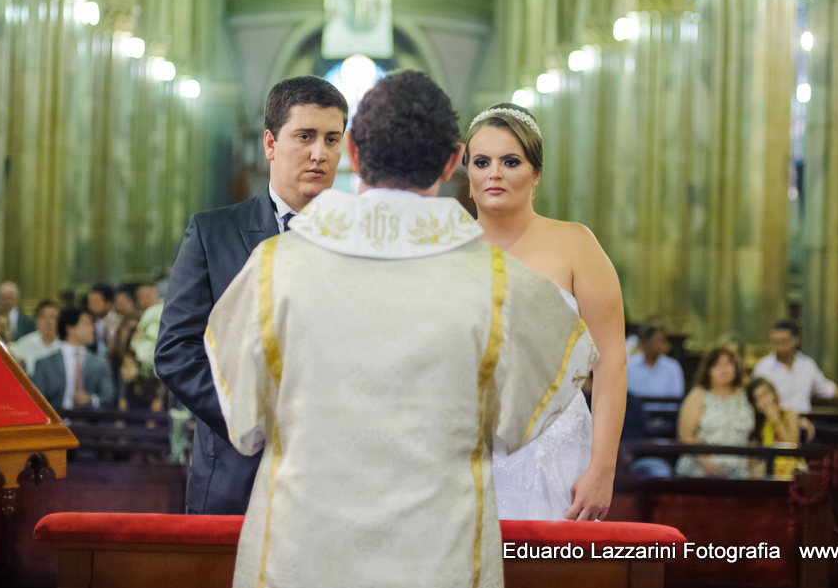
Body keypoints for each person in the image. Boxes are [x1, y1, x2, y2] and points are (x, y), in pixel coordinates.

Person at [206, 71, 587, 588]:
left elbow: (245, 425)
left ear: (355, 154)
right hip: (436, 560)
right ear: (454, 161)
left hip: (307, 554)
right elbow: (519, 429)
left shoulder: (276, 268)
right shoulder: (500, 283)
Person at [156, 75, 349, 515]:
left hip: (334, 479)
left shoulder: (360, 243)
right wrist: (251, 420)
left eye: (332, 139)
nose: (320, 153)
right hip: (234, 472)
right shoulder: (213, 233)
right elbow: (175, 350)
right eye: (305, 136)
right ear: (270, 143)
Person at [464, 102, 626, 521]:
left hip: (554, 448)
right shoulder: (445, 249)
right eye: (481, 161)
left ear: (536, 174)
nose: (494, 172)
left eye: (510, 161)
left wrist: (602, 469)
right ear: (467, 174)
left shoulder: (575, 244)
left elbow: (610, 361)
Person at [675, 346, 753, 477]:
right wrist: (704, 460)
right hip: (702, 464)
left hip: (739, 467)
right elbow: (685, 436)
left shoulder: (744, 395)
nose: (723, 369)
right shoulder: (698, 395)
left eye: (728, 364)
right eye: (716, 365)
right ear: (708, 370)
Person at [33, 308, 116, 410]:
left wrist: (91, 400)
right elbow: (36, 401)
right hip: (56, 420)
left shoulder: (100, 362)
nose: (92, 328)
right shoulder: (45, 363)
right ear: (70, 328)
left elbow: (109, 397)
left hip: (90, 422)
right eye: (86, 323)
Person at [752, 320, 837, 414]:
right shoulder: (763, 369)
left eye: (783, 342)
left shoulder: (807, 364)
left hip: (805, 421)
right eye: (775, 342)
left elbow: (826, 389)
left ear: (794, 341)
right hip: (776, 422)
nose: (779, 347)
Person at [747, 376, 805, 479]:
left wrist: (776, 419)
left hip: (792, 470)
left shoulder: (790, 415)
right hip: (767, 472)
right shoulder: (759, 424)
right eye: (758, 398)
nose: (764, 400)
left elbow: (792, 444)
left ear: (774, 393)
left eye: (765, 394)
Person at [11, 300, 62, 376]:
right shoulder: (23, 343)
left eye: (53, 317)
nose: (49, 322)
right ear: (38, 320)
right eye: (44, 317)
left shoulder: (63, 347)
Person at [86, 283, 116, 354]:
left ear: (108, 303)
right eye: (90, 301)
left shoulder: (115, 321)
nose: (91, 305)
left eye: (96, 302)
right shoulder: (90, 321)